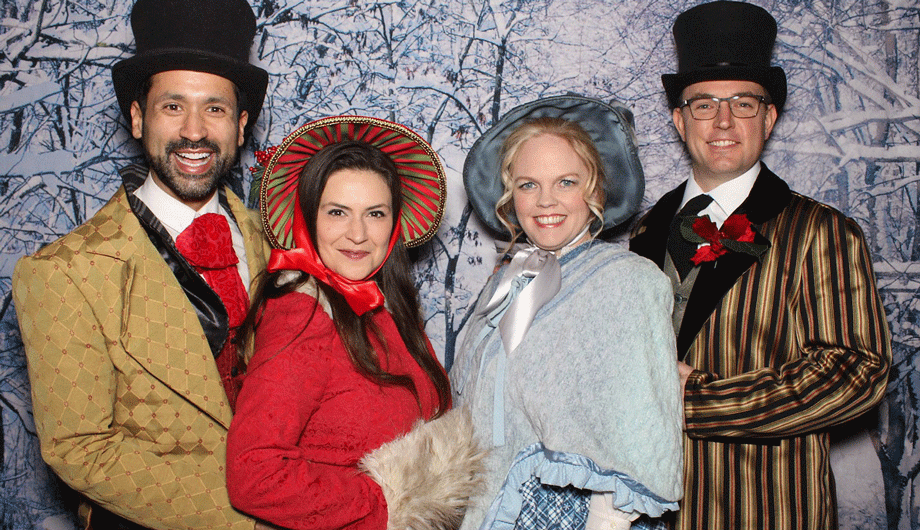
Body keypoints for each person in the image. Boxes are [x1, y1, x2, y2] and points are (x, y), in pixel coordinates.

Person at [10, 0, 274, 528]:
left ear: (241, 126)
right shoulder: (65, 272)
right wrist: (264, 512)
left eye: (215, 109)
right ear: (137, 117)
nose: (194, 131)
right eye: (173, 106)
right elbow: (82, 447)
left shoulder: (279, 244)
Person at [628, 2, 892, 529]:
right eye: (704, 104)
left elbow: (855, 371)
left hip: (766, 508)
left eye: (743, 103)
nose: (723, 121)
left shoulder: (820, 231)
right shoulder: (644, 231)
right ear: (680, 120)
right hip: (648, 510)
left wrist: (701, 401)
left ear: (768, 118)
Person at [225, 116, 484, 530]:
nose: (358, 234)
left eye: (375, 213)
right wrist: (382, 506)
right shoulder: (302, 314)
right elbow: (254, 474)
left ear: (394, 222)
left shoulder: (387, 306)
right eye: (337, 212)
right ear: (308, 219)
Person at [453, 96, 684, 530]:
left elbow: (637, 435)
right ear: (511, 195)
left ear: (595, 190)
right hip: (493, 510)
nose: (545, 201)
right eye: (528, 185)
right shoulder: (506, 281)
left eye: (566, 182)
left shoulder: (627, 280)